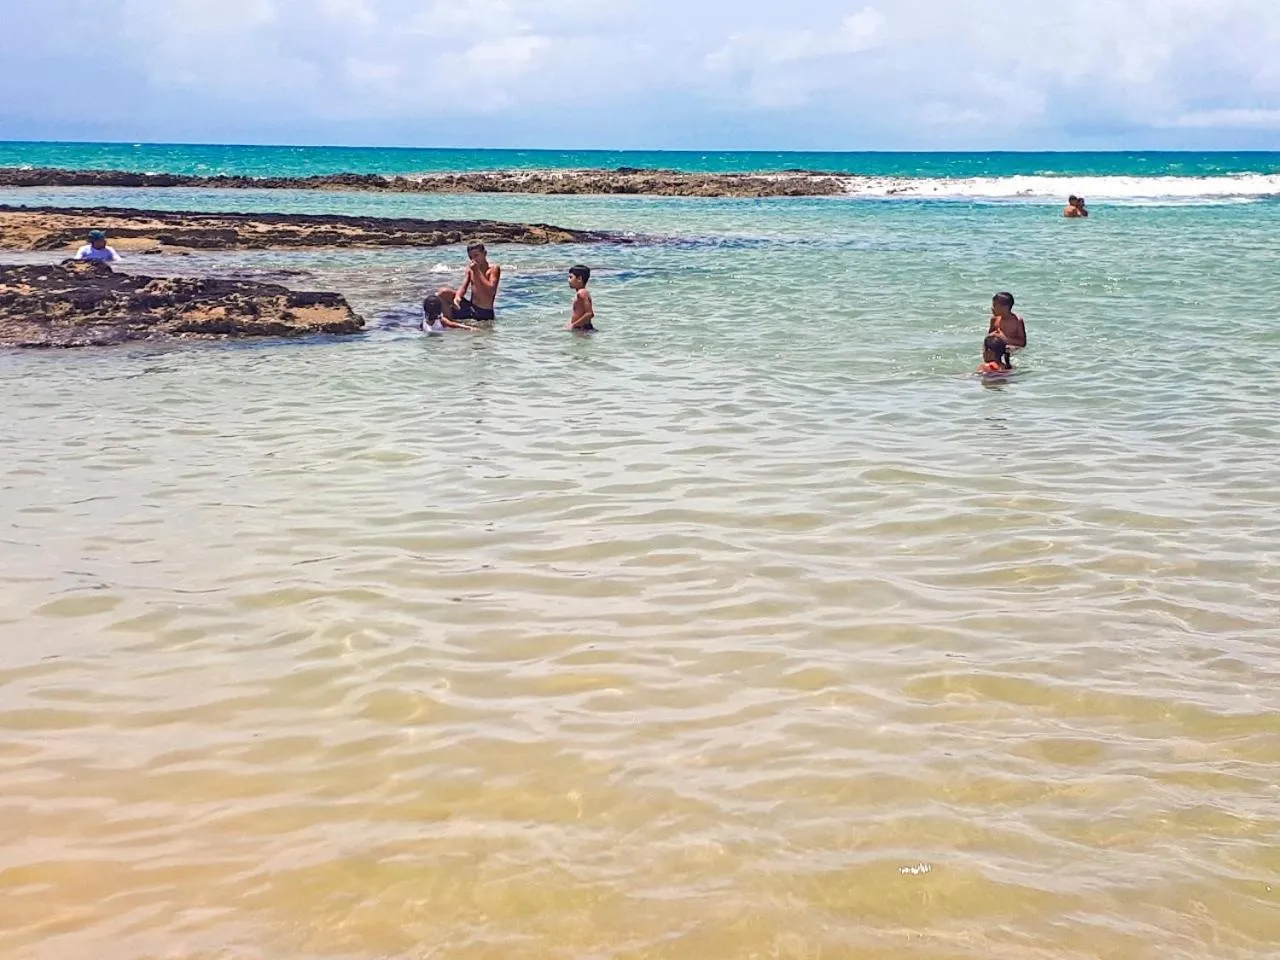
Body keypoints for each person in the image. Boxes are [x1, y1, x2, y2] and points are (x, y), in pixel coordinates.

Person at [439, 242, 500, 322]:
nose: (474, 259)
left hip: (484, 312)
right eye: (471, 257)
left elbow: (491, 291)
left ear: (484, 254)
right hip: (471, 308)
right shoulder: (471, 269)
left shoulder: (493, 269)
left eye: (476, 255)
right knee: (443, 293)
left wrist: (477, 271)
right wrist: (457, 297)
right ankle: (450, 322)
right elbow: (463, 287)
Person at [567, 264, 595, 331]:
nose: (568, 280)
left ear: (579, 279)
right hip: (580, 328)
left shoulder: (582, 293)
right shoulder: (580, 292)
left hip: (583, 329)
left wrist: (573, 325)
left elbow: (589, 313)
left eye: (571, 277)